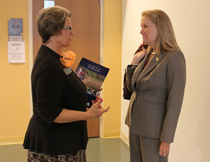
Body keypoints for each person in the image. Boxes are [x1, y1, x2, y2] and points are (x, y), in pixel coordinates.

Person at [23, 6, 110, 162]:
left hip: (65, 142)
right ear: (54, 30)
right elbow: (49, 111)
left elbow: (62, 87)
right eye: (68, 27)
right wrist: (88, 115)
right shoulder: (48, 65)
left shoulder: (56, 59)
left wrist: (84, 86)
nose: (72, 32)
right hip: (53, 147)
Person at [125, 9, 186, 162]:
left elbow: (175, 102)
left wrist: (166, 138)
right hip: (135, 125)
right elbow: (131, 89)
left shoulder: (174, 56)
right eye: (141, 26)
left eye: (145, 26)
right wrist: (133, 63)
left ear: (161, 28)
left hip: (154, 132)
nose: (141, 31)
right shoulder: (147, 53)